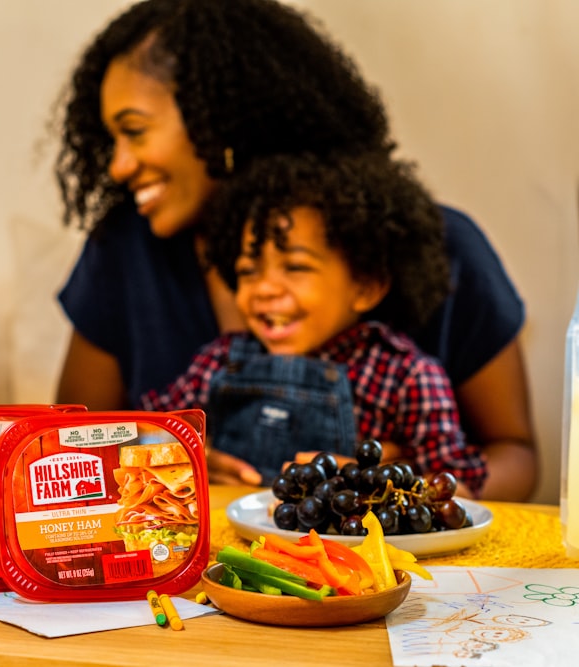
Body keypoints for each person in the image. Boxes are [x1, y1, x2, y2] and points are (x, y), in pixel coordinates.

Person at [53, 0, 536, 500]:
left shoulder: (435, 248)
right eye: (246, 269)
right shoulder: (124, 250)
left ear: (218, 117)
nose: (117, 167)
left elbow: (516, 454)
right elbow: (71, 448)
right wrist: (163, 458)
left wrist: (401, 488)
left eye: (134, 130)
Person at [139, 151, 487, 496]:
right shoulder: (221, 362)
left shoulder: (408, 379)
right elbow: (142, 438)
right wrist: (192, 457)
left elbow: (456, 490)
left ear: (365, 286)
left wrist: (379, 482)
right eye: (248, 271)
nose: (263, 289)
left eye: (295, 267)